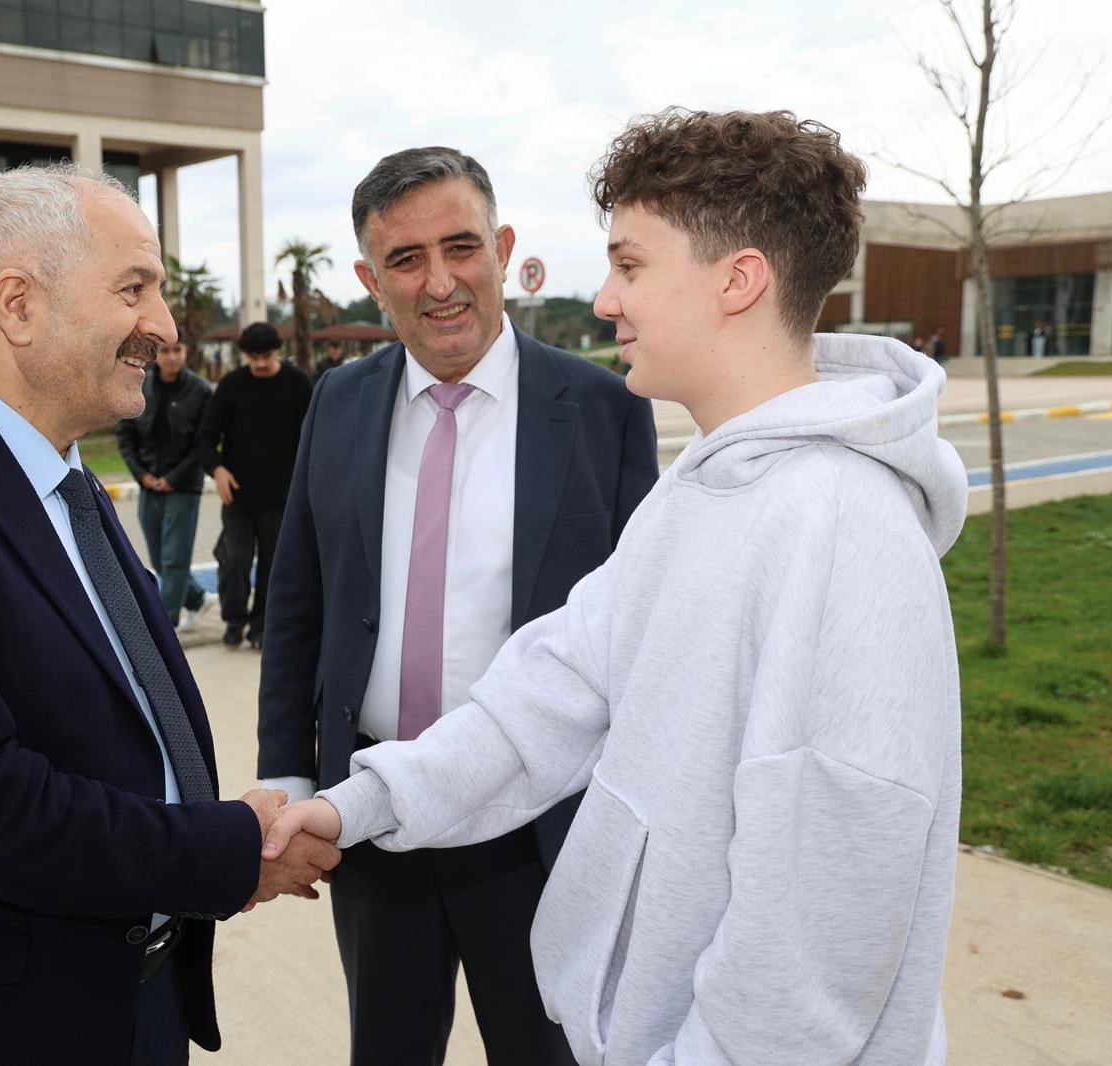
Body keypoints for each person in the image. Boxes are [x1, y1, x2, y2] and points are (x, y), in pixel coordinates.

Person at [268, 110, 968, 1065]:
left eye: (630, 266)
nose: (604, 301)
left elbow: (808, 970)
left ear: (737, 280)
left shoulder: (845, 533)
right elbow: (549, 695)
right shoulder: (698, 495)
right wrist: (356, 804)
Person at [0, 163, 338, 1066]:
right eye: (134, 289)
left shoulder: (65, 480)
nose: (165, 326)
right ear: (18, 305)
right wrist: (228, 847)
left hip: (132, 1003)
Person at [258, 146, 659, 1066]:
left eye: (461, 247)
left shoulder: (602, 410)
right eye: (406, 260)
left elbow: (641, 637)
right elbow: (298, 602)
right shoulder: (338, 402)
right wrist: (290, 779)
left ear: (503, 248)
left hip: (539, 826)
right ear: (371, 281)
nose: (439, 283)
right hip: (371, 817)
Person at [197, 321, 313, 650]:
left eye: (266, 356)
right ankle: (234, 620)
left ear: (277, 352)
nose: (260, 363)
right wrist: (217, 469)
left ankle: (262, 626)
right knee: (235, 558)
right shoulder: (232, 386)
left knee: (273, 565)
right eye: (253, 357)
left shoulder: (297, 384)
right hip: (238, 495)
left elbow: (315, 434)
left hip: (283, 496)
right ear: (245, 355)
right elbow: (206, 437)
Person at [116, 340, 216, 630]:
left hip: (183, 487)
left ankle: (164, 628)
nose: (172, 357)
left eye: (177, 350)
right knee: (161, 559)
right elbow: (126, 435)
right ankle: (197, 599)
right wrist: (142, 475)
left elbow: (202, 443)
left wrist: (173, 479)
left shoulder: (199, 390)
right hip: (149, 485)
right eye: (166, 351)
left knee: (174, 560)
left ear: (185, 352)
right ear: (157, 354)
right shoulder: (141, 384)